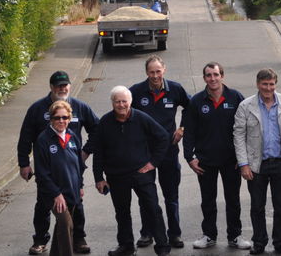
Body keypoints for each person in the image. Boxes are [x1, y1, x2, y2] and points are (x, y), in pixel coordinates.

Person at [18, 71, 99, 255]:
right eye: (58, 86)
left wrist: (85, 152)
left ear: (70, 86)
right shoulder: (37, 109)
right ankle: (40, 240)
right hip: (47, 170)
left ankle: (79, 238)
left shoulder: (79, 107)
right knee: (43, 205)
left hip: (71, 169)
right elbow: (25, 138)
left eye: (65, 85)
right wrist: (24, 163)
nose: (62, 88)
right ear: (51, 87)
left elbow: (97, 129)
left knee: (76, 206)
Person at [89, 86, 172, 256]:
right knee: (122, 213)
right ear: (112, 103)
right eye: (117, 101)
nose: (121, 105)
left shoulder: (141, 118)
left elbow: (163, 137)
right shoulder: (105, 122)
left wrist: (153, 162)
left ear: (130, 101)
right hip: (116, 176)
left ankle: (162, 247)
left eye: (124, 101)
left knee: (153, 210)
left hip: (141, 174)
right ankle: (126, 246)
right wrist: (99, 178)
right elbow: (99, 153)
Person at [183, 62, 251, 251]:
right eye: (208, 75)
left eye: (215, 74)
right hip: (205, 161)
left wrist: (243, 157)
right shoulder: (196, 101)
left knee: (233, 200)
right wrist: (190, 158)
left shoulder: (236, 97)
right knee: (208, 201)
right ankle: (209, 235)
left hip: (232, 161)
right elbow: (189, 132)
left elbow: (248, 127)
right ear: (204, 78)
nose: (212, 78)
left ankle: (235, 236)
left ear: (222, 75)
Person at [233, 68, 281, 255]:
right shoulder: (246, 106)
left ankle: (280, 243)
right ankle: (259, 242)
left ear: (275, 84)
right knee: (257, 206)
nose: (268, 88)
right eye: (264, 84)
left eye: (271, 84)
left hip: (280, 163)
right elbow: (238, 136)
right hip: (256, 165)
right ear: (258, 84)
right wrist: (243, 164)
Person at [128, 56, 190, 249]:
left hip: (169, 152)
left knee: (171, 196)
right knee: (146, 196)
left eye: (158, 71)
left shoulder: (176, 89)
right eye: (151, 72)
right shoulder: (136, 92)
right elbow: (125, 114)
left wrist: (182, 129)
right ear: (146, 72)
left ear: (164, 69)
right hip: (144, 153)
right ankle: (147, 233)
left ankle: (174, 234)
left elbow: (191, 109)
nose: (155, 76)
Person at [33, 100, 85, 256]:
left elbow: (78, 165)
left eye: (64, 117)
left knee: (63, 228)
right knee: (66, 224)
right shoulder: (43, 140)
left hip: (72, 190)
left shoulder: (72, 137)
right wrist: (56, 194)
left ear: (69, 118)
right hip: (53, 193)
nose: (61, 121)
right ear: (51, 119)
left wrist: (80, 185)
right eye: (57, 118)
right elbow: (42, 173)